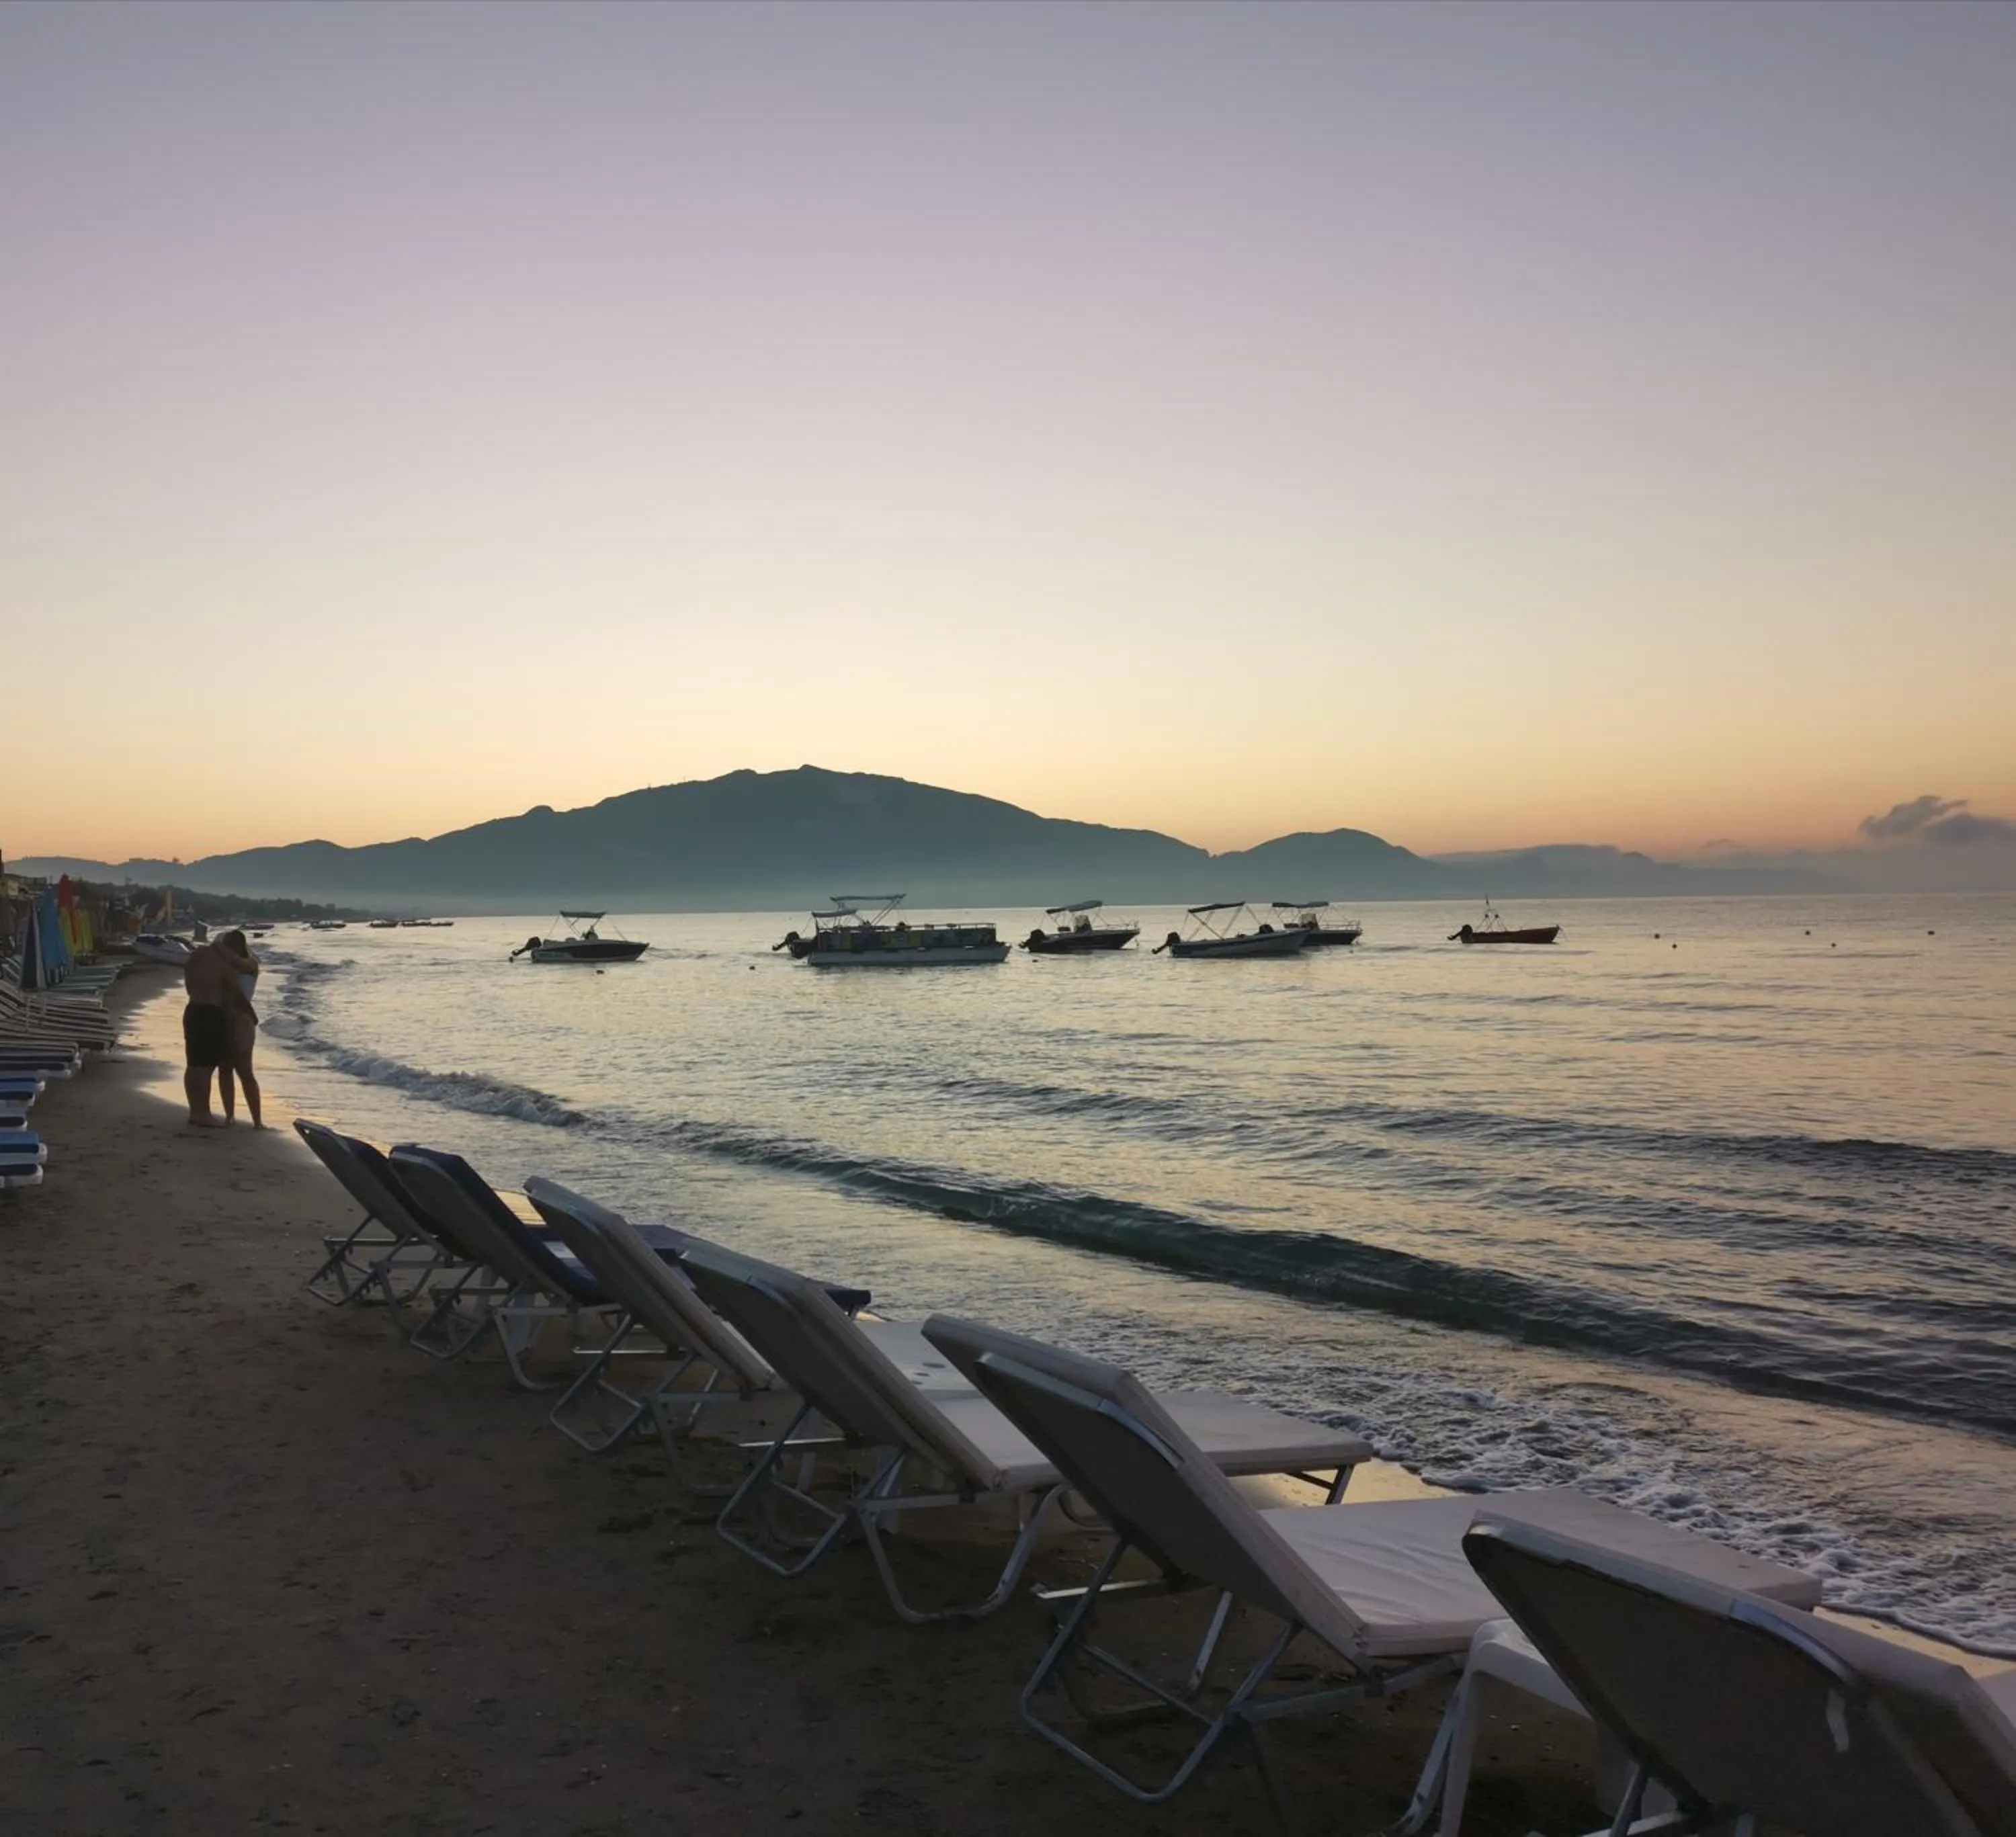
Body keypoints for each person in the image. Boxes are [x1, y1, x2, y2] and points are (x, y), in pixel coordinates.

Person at [182, 932, 257, 1127]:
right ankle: (203, 1113)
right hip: (211, 1012)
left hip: (192, 1009)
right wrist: (252, 1015)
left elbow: (188, 979)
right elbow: (236, 993)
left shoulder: (197, 956)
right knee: (206, 1067)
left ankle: (195, 1111)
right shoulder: (226, 964)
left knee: (193, 1065)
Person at [214, 930, 263, 1129]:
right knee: (225, 1068)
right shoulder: (225, 966)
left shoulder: (250, 963)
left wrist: (218, 950)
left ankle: (257, 1120)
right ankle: (230, 1116)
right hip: (223, 1017)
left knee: (244, 1070)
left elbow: (238, 965)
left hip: (242, 1019)